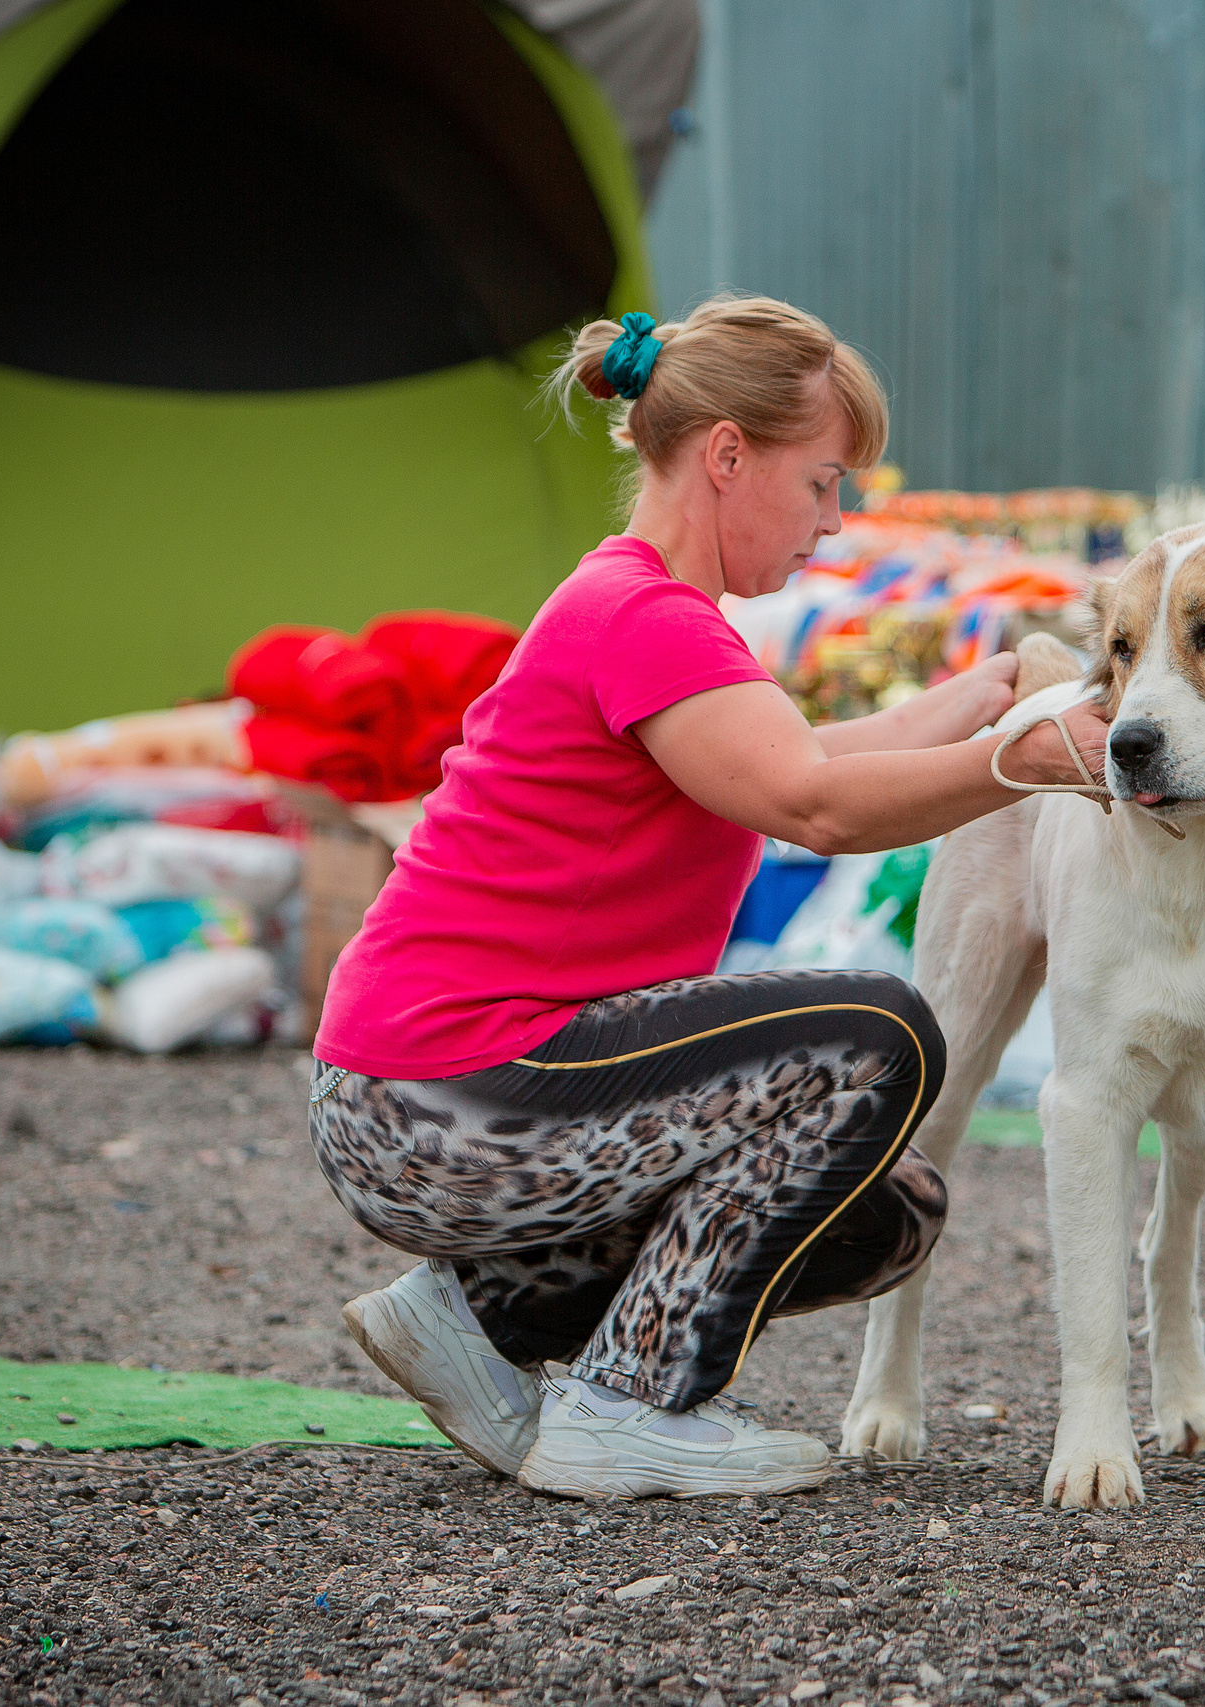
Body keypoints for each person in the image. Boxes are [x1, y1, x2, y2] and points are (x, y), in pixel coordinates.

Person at [307, 295, 1111, 1499]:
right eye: (823, 484)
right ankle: (627, 1403)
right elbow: (817, 810)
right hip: (439, 1096)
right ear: (727, 456)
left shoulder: (643, 611)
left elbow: (819, 756)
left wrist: (994, 692)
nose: (832, 528)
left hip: (421, 1095)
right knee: (874, 1039)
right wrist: (1024, 763)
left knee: (888, 1212)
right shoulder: (646, 617)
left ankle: (470, 1322)